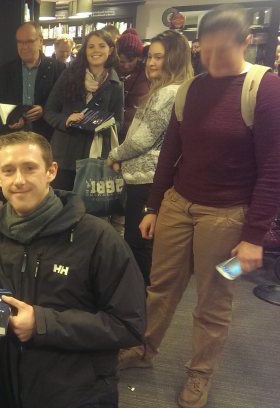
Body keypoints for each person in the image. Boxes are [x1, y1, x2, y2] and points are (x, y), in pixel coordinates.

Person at [117, 6, 280, 408]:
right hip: (178, 206)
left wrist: (254, 238)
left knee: (214, 299)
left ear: (246, 43)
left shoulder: (265, 88)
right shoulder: (191, 89)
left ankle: (199, 374)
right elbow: (172, 150)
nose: (211, 61)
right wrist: (153, 206)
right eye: (204, 52)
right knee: (160, 288)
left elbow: (274, 169)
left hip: (228, 217)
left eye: (222, 52)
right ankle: (145, 349)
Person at [0, 131, 146, 408]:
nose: (19, 180)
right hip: (14, 383)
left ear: (51, 171)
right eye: (9, 171)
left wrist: (42, 325)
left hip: (79, 392)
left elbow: (129, 325)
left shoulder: (98, 238)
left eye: (30, 168)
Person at [106, 30, 194, 285]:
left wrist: (114, 154)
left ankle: (140, 301)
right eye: (150, 57)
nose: (151, 62)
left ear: (175, 59)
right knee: (144, 242)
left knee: (138, 243)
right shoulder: (176, 90)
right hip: (149, 179)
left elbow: (144, 139)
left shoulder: (168, 93)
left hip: (146, 180)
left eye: (159, 57)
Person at [43, 30, 124, 191]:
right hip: (65, 154)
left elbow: (119, 122)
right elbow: (49, 111)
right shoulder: (69, 76)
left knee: (90, 210)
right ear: (84, 50)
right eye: (91, 46)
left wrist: (102, 124)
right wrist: (66, 120)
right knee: (60, 206)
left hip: (94, 157)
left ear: (111, 49)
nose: (96, 51)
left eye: (102, 46)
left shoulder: (116, 84)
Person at [0, 22, 66, 140]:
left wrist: (44, 111)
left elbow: (64, 102)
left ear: (40, 41)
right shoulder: (5, 70)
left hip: (46, 136)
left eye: (29, 41)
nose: (24, 47)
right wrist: (12, 119)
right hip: (13, 136)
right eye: (20, 42)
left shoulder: (58, 69)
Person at [115, 28, 151, 143]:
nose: (126, 65)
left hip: (136, 132)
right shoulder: (110, 72)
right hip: (113, 130)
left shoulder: (146, 73)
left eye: (131, 60)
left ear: (138, 57)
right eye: (122, 61)